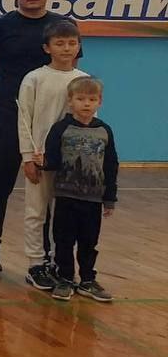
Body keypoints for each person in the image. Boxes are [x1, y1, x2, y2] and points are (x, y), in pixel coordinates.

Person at [0, 0, 76, 279]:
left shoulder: (63, 27)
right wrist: (0, 100)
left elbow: (69, 74)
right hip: (7, 119)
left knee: (46, 192)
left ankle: (43, 259)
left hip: (50, 125)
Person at [17, 18, 89, 292]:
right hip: (40, 158)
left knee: (65, 214)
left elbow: (89, 121)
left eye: (71, 43)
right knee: (36, 211)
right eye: (60, 43)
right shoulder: (34, 78)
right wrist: (28, 157)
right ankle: (36, 264)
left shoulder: (83, 80)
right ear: (47, 47)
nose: (66, 48)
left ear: (79, 46)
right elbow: (24, 119)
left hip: (71, 162)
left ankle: (62, 264)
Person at [43, 78, 118, 303]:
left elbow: (111, 165)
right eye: (81, 99)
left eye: (92, 99)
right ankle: (65, 278)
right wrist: (42, 162)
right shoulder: (61, 129)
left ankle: (87, 279)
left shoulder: (104, 130)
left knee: (89, 241)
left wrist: (109, 198)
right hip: (66, 196)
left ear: (99, 102)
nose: (86, 104)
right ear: (70, 101)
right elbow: (53, 160)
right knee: (64, 240)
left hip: (93, 199)